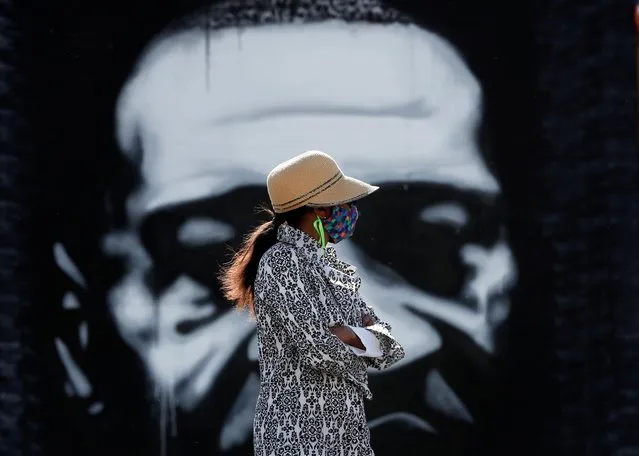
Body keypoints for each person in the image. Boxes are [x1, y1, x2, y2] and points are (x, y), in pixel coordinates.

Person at [219, 150, 405, 455]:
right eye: (343, 202)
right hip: (297, 437)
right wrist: (362, 338)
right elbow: (321, 349)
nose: (351, 210)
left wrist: (349, 334)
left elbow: (388, 348)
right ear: (317, 210)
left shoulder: (331, 266)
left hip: (348, 436)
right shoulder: (280, 261)